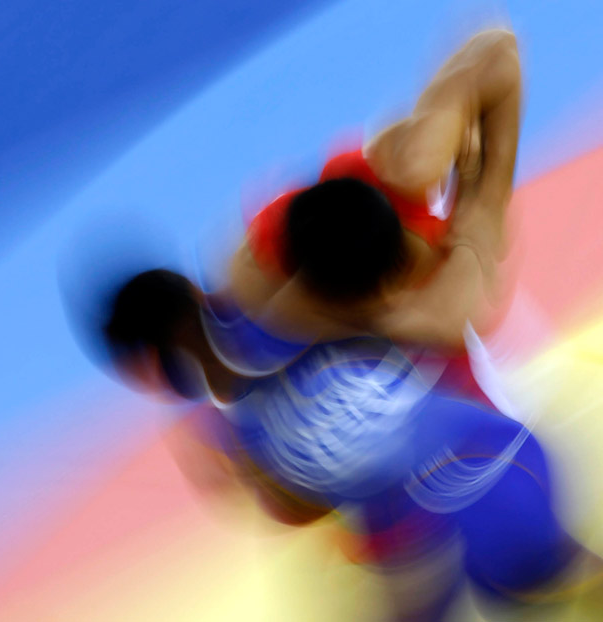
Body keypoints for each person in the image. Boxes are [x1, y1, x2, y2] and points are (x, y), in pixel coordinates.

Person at [95, 267, 600, 621]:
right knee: (528, 580)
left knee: (530, 576)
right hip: (472, 466)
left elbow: (302, 503)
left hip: (465, 476)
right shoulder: (276, 327)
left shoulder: (255, 376)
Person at [227, 29, 521, 361]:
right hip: (314, 256)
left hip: (374, 191)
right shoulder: (265, 287)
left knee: (421, 168)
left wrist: (490, 195)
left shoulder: (413, 166)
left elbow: (500, 51)